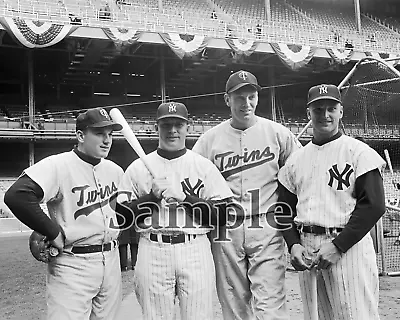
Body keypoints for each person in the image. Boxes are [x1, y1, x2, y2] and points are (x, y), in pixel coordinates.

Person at [192, 70, 302, 320]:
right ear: (227, 99)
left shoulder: (277, 133)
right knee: (233, 303)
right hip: (226, 227)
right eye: (239, 97)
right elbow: (193, 179)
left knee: (271, 303)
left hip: (266, 223)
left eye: (251, 96)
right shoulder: (210, 140)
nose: (246, 103)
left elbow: (300, 172)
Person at [276, 84, 386, 320]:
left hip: (348, 247)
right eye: (318, 109)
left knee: (357, 315)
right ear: (308, 113)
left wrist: (338, 246)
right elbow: (283, 209)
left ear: (341, 111)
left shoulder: (358, 152)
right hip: (307, 247)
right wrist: (293, 244)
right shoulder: (296, 160)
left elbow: (374, 205)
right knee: (317, 317)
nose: (325, 115)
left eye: (331, 109)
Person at [4, 107, 124, 320]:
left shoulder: (115, 170)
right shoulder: (58, 165)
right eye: (99, 133)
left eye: (110, 134)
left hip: (111, 260)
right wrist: (51, 230)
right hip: (73, 263)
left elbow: (125, 212)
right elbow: (17, 195)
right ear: (80, 135)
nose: (107, 140)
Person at [118, 102, 234, 320]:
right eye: (166, 125)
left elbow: (223, 215)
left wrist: (186, 199)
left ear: (187, 127)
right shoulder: (137, 168)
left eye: (178, 124)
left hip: (195, 247)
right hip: (152, 247)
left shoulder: (203, 166)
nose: (172, 130)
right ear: (156, 128)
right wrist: (152, 198)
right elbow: (121, 218)